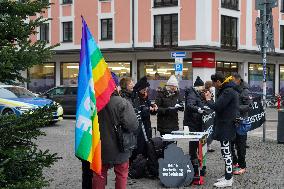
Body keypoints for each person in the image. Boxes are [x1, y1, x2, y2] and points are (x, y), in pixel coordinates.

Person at [92, 72, 138, 189]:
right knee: (122, 174)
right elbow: (133, 125)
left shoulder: (92, 102)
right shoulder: (122, 102)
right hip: (120, 146)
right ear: (115, 86)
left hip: (98, 146)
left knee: (99, 174)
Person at [204, 72, 239, 188]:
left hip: (226, 126)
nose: (214, 86)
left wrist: (208, 100)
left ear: (218, 82)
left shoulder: (228, 91)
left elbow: (217, 107)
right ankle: (227, 175)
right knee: (226, 152)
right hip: (226, 125)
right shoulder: (227, 90)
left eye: (214, 84)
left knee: (227, 153)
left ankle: (229, 179)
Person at [183, 76, 206, 178]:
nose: (203, 88)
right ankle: (193, 167)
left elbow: (197, 103)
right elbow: (190, 105)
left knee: (197, 144)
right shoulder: (192, 93)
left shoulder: (196, 93)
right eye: (202, 86)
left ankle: (196, 166)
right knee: (193, 145)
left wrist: (203, 107)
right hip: (192, 123)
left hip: (196, 122)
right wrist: (199, 110)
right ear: (199, 86)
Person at [231, 73, 252, 175]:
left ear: (238, 80)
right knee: (231, 145)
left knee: (240, 146)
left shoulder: (245, 91)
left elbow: (249, 106)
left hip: (242, 122)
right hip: (232, 121)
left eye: (233, 80)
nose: (231, 81)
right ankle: (235, 162)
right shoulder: (233, 89)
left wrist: (236, 108)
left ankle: (242, 166)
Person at [131, 76, 157, 158]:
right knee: (140, 148)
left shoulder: (145, 96)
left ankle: (145, 165)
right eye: (144, 89)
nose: (146, 90)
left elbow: (149, 107)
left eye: (146, 89)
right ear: (140, 88)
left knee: (147, 147)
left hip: (147, 126)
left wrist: (154, 108)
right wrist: (147, 109)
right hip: (139, 127)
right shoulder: (135, 97)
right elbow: (137, 110)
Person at [205, 80, 215, 153]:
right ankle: (206, 146)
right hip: (207, 114)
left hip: (211, 113)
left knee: (211, 129)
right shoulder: (206, 93)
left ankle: (209, 146)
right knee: (207, 129)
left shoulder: (212, 93)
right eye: (212, 85)